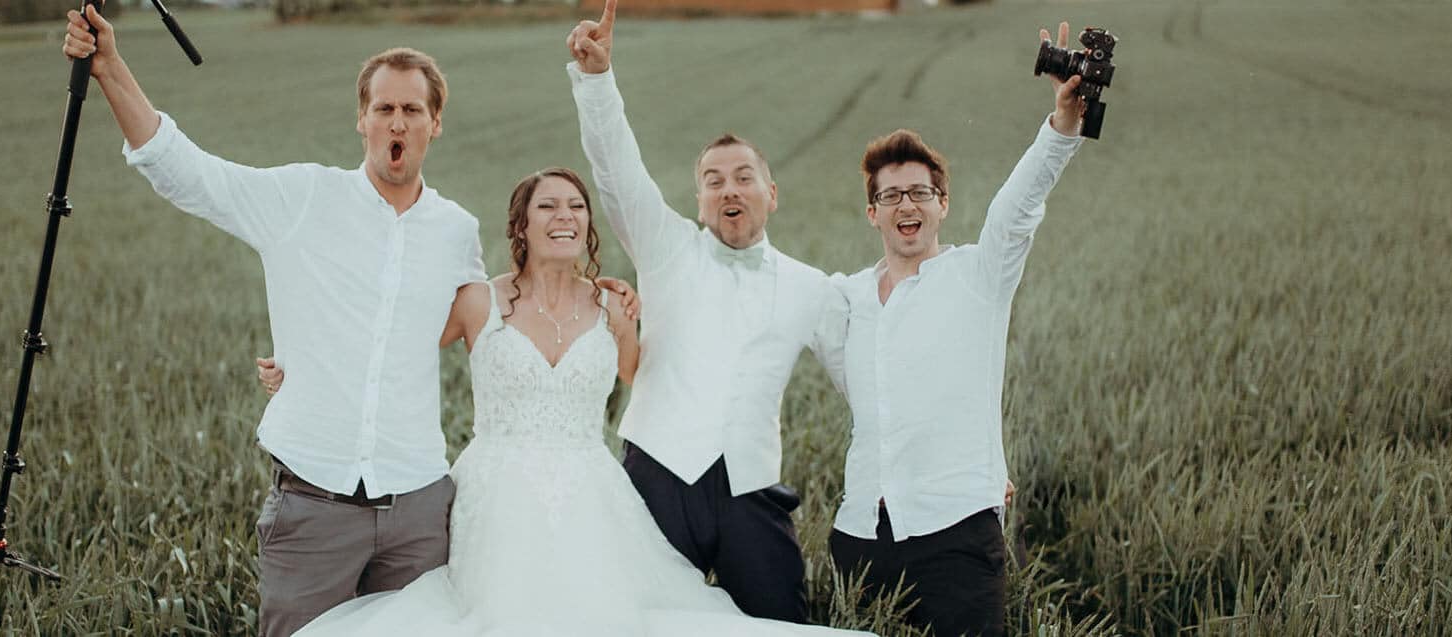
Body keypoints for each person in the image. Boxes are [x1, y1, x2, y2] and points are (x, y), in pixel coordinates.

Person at [61, 11, 610, 637]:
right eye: (383, 109)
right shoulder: (302, 199)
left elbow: (500, 317)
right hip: (313, 501)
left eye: (411, 109)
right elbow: (185, 170)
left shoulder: (455, 231)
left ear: (436, 123)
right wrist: (108, 68)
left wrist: (597, 295)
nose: (396, 122)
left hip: (419, 509)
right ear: (362, 119)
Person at [257, 169, 869, 636]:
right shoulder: (478, 301)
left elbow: (647, 376)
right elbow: (388, 352)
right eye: (547, 206)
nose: (564, 215)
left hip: (592, 493)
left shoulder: (611, 307)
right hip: (495, 493)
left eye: (576, 206)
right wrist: (301, 372)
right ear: (521, 225)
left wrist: (644, 312)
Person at [562, 0, 852, 623]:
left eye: (744, 177)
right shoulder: (665, 250)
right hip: (656, 478)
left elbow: (866, 379)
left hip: (750, 490)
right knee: (641, 625)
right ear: (698, 201)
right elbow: (615, 171)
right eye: (714, 180)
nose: (729, 189)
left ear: (770, 194)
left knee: (782, 623)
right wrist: (597, 80)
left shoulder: (811, 288)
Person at [824, 21, 1092, 637]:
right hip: (861, 534)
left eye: (920, 192)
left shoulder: (979, 274)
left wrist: (1062, 125)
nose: (907, 206)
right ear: (873, 214)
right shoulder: (845, 297)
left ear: (943, 203)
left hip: (956, 534)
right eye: (891, 197)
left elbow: (1016, 210)